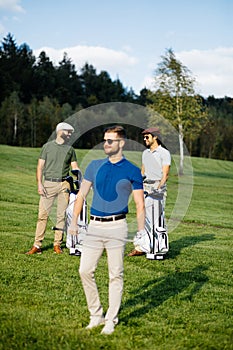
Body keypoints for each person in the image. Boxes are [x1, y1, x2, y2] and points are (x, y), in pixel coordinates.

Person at [69, 125, 145, 335]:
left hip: (117, 226)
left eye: (110, 140)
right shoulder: (94, 166)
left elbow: (140, 204)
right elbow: (81, 195)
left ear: (121, 143)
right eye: (104, 140)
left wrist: (140, 232)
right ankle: (96, 315)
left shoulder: (132, 170)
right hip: (94, 226)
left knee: (115, 274)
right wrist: (74, 221)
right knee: (84, 270)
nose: (106, 144)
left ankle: (111, 319)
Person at [26, 122, 79, 255]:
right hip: (48, 184)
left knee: (61, 215)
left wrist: (80, 176)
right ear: (60, 131)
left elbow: (75, 167)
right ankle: (37, 245)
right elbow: (40, 167)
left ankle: (57, 244)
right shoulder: (47, 147)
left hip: (64, 185)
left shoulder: (70, 149)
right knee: (42, 215)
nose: (70, 134)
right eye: (68, 132)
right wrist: (39, 184)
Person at [128, 127, 171, 256]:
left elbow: (165, 174)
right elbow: (143, 172)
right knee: (142, 219)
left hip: (157, 189)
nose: (145, 139)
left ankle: (157, 247)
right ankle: (141, 247)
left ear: (155, 137)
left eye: (147, 137)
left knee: (156, 219)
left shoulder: (164, 153)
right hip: (145, 188)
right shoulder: (145, 153)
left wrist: (158, 189)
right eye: (144, 137)